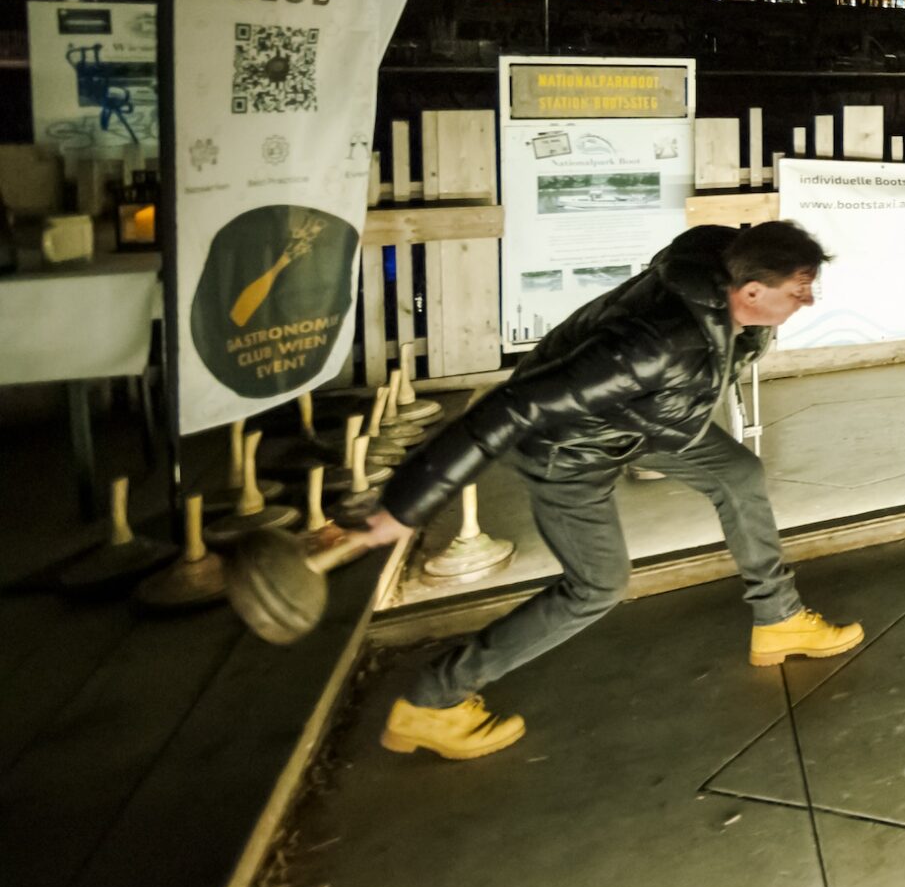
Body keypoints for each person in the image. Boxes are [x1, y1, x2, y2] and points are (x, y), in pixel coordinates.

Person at [341, 220, 866, 759]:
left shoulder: (722, 263)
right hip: (570, 449)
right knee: (596, 586)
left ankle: (779, 621)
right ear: (752, 291)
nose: (806, 302)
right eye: (798, 292)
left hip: (645, 419)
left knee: (737, 473)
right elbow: (512, 408)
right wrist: (405, 507)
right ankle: (431, 702)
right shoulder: (653, 345)